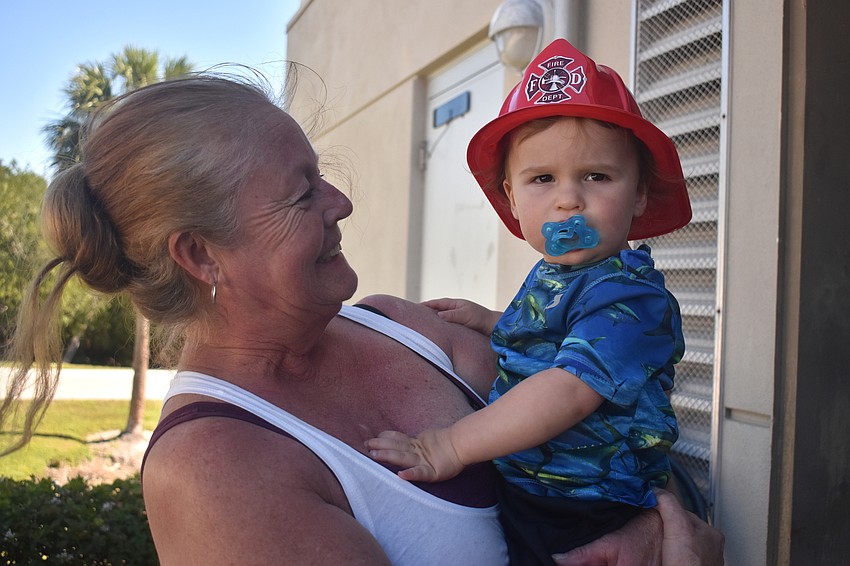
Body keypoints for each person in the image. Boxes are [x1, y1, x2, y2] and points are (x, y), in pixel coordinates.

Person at [0, 70, 723, 565]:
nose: (341, 204)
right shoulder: (215, 473)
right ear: (201, 255)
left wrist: (661, 523)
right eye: (302, 193)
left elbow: (620, 424)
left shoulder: (409, 325)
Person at [367, 38, 693, 565]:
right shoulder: (560, 274)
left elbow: (567, 389)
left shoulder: (631, 296)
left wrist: (447, 446)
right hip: (535, 484)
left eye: (597, 176)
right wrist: (491, 319)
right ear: (513, 199)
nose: (569, 198)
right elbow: (558, 335)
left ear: (637, 195)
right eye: (543, 178)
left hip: (584, 504)